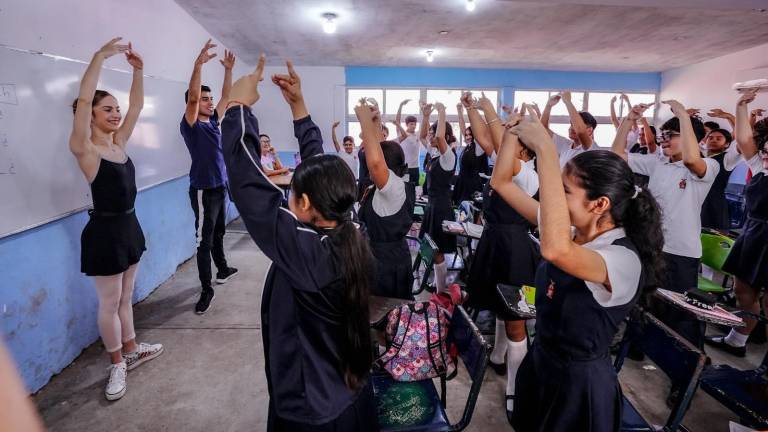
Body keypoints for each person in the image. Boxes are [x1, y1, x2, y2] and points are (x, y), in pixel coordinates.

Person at [221, 56, 378, 431]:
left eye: (292, 194)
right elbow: (319, 164)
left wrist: (237, 109)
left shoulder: (308, 254)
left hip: (313, 408)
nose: (287, 199)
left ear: (305, 204)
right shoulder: (347, 226)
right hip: (345, 389)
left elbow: (249, 187)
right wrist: (299, 108)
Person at [496, 105, 664, 432]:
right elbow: (502, 183)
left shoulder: (622, 259)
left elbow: (555, 250)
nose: (555, 199)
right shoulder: (572, 230)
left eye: (565, 191)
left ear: (599, 204)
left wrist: (545, 149)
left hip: (577, 385)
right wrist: (509, 134)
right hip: (543, 362)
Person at [70, 38, 163, 401]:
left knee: (126, 299)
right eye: (106, 109)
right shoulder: (86, 150)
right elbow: (83, 98)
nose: (115, 114)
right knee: (109, 303)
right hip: (105, 233)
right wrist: (98, 58)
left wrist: (138, 70)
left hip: (129, 227)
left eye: (115, 109)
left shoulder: (118, 143)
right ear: (90, 115)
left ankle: (132, 348)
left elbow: (138, 105)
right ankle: (116, 364)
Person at [612, 101, 718, 348]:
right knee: (643, 300)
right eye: (663, 136)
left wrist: (682, 113)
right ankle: (636, 346)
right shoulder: (659, 163)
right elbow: (618, 155)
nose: (664, 141)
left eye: (671, 135)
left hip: (681, 252)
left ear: (693, 138)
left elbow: (693, 159)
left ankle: (686, 368)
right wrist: (629, 120)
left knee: (681, 313)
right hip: (652, 244)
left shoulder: (708, 166)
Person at [463, 93, 540, 423]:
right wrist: (472, 108)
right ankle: (497, 355)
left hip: (515, 250)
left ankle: (516, 387)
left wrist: (496, 115)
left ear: (523, 149)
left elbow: (495, 136)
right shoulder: (512, 161)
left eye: (514, 139)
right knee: (497, 303)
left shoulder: (526, 173)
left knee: (515, 317)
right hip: (496, 242)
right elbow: (485, 137)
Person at [707, 90, 768, 357]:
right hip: (754, 233)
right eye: (765, 147)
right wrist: (741, 105)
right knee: (744, 290)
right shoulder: (761, 166)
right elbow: (744, 139)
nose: (765, 152)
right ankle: (737, 341)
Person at [181, 39, 238, 314]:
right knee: (204, 240)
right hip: (203, 190)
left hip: (219, 187)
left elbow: (226, 97)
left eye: (209, 98)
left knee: (219, 232)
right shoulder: (191, 125)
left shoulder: (214, 121)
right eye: (204, 99)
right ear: (192, 104)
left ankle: (223, 269)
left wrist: (228, 70)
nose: (209, 101)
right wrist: (198, 65)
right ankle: (206, 289)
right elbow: (193, 97)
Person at [355, 100, 416, 300]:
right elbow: (380, 151)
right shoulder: (388, 186)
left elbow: (376, 162)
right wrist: (375, 122)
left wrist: (364, 121)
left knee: (385, 320)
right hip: (377, 258)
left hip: (387, 265)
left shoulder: (394, 188)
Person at [418, 101, 458, 293]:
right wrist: (425, 116)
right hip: (432, 205)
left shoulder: (448, 157)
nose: (432, 136)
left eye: (435, 133)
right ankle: (438, 285)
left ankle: (441, 291)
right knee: (431, 248)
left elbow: (440, 136)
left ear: (446, 136)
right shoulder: (434, 154)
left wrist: (442, 111)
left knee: (437, 251)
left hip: (441, 208)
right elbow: (421, 136)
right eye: (432, 132)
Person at [541, 92, 599, 168]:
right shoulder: (565, 145)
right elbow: (543, 129)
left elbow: (580, 130)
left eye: (574, 124)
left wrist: (568, 102)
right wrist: (548, 106)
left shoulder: (591, 148)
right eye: (571, 124)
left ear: (589, 130)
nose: (572, 127)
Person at [452, 96, 489, 205]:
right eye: (466, 135)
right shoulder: (468, 147)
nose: (467, 137)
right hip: (462, 182)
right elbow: (462, 127)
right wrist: (459, 112)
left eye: (470, 135)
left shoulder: (478, 147)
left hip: (472, 185)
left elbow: (479, 129)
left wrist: (471, 108)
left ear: (475, 135)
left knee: (470, 211)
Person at [700, 128, 734, 230]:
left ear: (727, 144)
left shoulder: (727, 158)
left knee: (714, 237)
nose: (713, 140)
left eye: (718, 139)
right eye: (710, 138)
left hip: (714, 203)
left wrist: (729, 117)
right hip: (697, 200)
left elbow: (742, 140)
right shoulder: (700, 156)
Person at [392, 100, 422, 197]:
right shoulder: (402, 134)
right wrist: (400, 106)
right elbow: (397, 120)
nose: (413, 126)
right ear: (407, 125)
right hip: (405, 168)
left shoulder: (417, 135)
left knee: (415, 190)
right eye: (411, 124)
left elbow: (425, 127)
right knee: (404, 189)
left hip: (415, 168)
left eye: (414, 124)